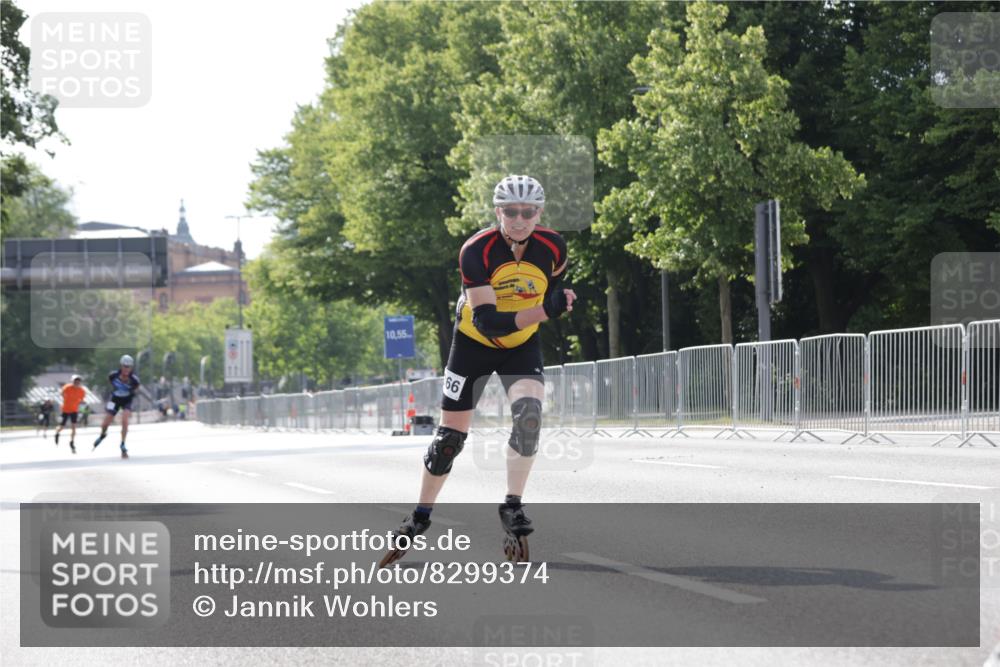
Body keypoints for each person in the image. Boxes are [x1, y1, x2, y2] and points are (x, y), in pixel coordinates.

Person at [383, 175, 576, 565]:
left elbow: (551, 294)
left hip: (521, 347)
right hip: (473, 343)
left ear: (540, 213)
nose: (519, 219)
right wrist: (548, 310)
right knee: (448, 442)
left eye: (528, 211)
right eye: (510, 211)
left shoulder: (554, 247)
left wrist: (554, 303)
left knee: (529, 420)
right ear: (497, 211)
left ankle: (512, 505)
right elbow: (490, 322)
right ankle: (419, 517)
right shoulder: (476, 250)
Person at [93, 355, 148, 459]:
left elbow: (136, 389)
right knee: (105, 423)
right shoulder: (113, 375)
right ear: (121, 366)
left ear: (131, 368)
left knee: (124, 421)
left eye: (129, 367)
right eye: (125, 366)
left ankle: (123, 444)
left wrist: (130, 395)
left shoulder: (134, 380)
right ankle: (103, 434)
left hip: (127, 400)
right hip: (115, 400)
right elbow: (111, 383)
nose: (126, 368)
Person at [54, 375, 86, 454]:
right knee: (62, 426)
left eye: (78, 381)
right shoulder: (67, 387)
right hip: (65, 410)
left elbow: (81, 400)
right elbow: (62, 394)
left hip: (74, 410)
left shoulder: (82, 391)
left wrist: (81, 407)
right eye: (75, 381)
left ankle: (72, 442)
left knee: (74, 427)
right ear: (73, 381)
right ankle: (57, 433)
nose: (77, 382)